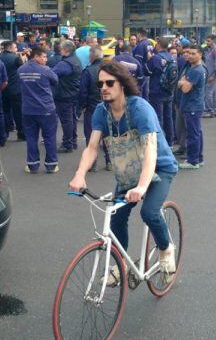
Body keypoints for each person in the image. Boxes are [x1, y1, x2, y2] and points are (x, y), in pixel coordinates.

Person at [68, 61, 178, 278]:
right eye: (100, 84)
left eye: (109, 82)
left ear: (123, 84)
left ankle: (166, 249)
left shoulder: (140, 109)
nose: (104, 88)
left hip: (159, 168)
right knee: (116, 217)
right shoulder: (101, 112)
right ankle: (120, 264)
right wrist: (79, 175)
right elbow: (91, 148)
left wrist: (142, 187)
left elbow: (150, 153)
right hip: (129, 171)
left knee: (149, 212)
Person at [18, 46, 60, 173]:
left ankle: (32, 165)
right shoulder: (45, 70)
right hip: (46, 109)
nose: (46, 59)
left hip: (28, 109)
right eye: (44, 57)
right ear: (36, 57)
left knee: (31, 138)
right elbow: (55, 80)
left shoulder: (21, 70)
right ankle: (51, 165)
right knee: (49, 137)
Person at [78, 45, 109, 171]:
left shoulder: (88, 71)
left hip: (92, 107)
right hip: (108, 106)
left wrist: (81, 106)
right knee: (108, 134)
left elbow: (83, 92)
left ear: (91, 57)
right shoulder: (109, 70)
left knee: (91, 135)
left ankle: (92, 162)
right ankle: (109, 161)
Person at [177, 44, 207, 169]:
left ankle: (192, 161)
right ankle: (198, 158)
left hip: (192, 106)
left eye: (194, 53)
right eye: (189, 53)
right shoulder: (197, 68)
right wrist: (183, 81)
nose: (190, 55)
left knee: (193, 134)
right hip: (195, 105)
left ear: (200, 54)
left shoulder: (196, 70)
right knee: (197, 133)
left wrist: (181, 82)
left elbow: (184, 89)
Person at [53, 40, 83, 153]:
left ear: (66, 50)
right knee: (72, 119)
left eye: (61, 48)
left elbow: (52, 74)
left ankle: (67, 144)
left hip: (64, 94)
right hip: (74, 92)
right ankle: (73, 141)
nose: (60, 50)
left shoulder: (65, 64)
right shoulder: (75, 59)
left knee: (66, 120)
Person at [146, 37, 176, 144]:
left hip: (157, 90)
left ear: (158, 45)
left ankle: (160, 142)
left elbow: (147, 71)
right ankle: (170, 140)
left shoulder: (156, 58)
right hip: (169, 90)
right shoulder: (171, 57)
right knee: (169, 117)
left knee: (158, 117)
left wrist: (149, 59)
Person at [0, 40, 26, 141]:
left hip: (3, 89)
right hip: (16, 89)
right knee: (18, 112)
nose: (16, 50)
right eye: (15, 48)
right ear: (10, 48)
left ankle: (5, 133)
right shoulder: (16, 58)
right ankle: (21, 134)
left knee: (4, 112)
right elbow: (23, 70)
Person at [202, 34, 216, 118]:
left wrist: (214, 75)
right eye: (206, 40)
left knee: (208, 94)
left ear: (213, 41)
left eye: (209, 41)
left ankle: (209, 110)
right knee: (213, 94)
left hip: (212, 76)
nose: (207, 42)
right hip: (209, 74)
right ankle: (213, 110)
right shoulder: (209, 49)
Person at [132, 30, 153, 99]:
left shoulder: (141, 45)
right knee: (146, 94)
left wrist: (137, 74)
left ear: (139, 34)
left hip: (142, 73)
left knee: (139, 93)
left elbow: (138, 61)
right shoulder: (150, 43)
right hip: (149, 71)